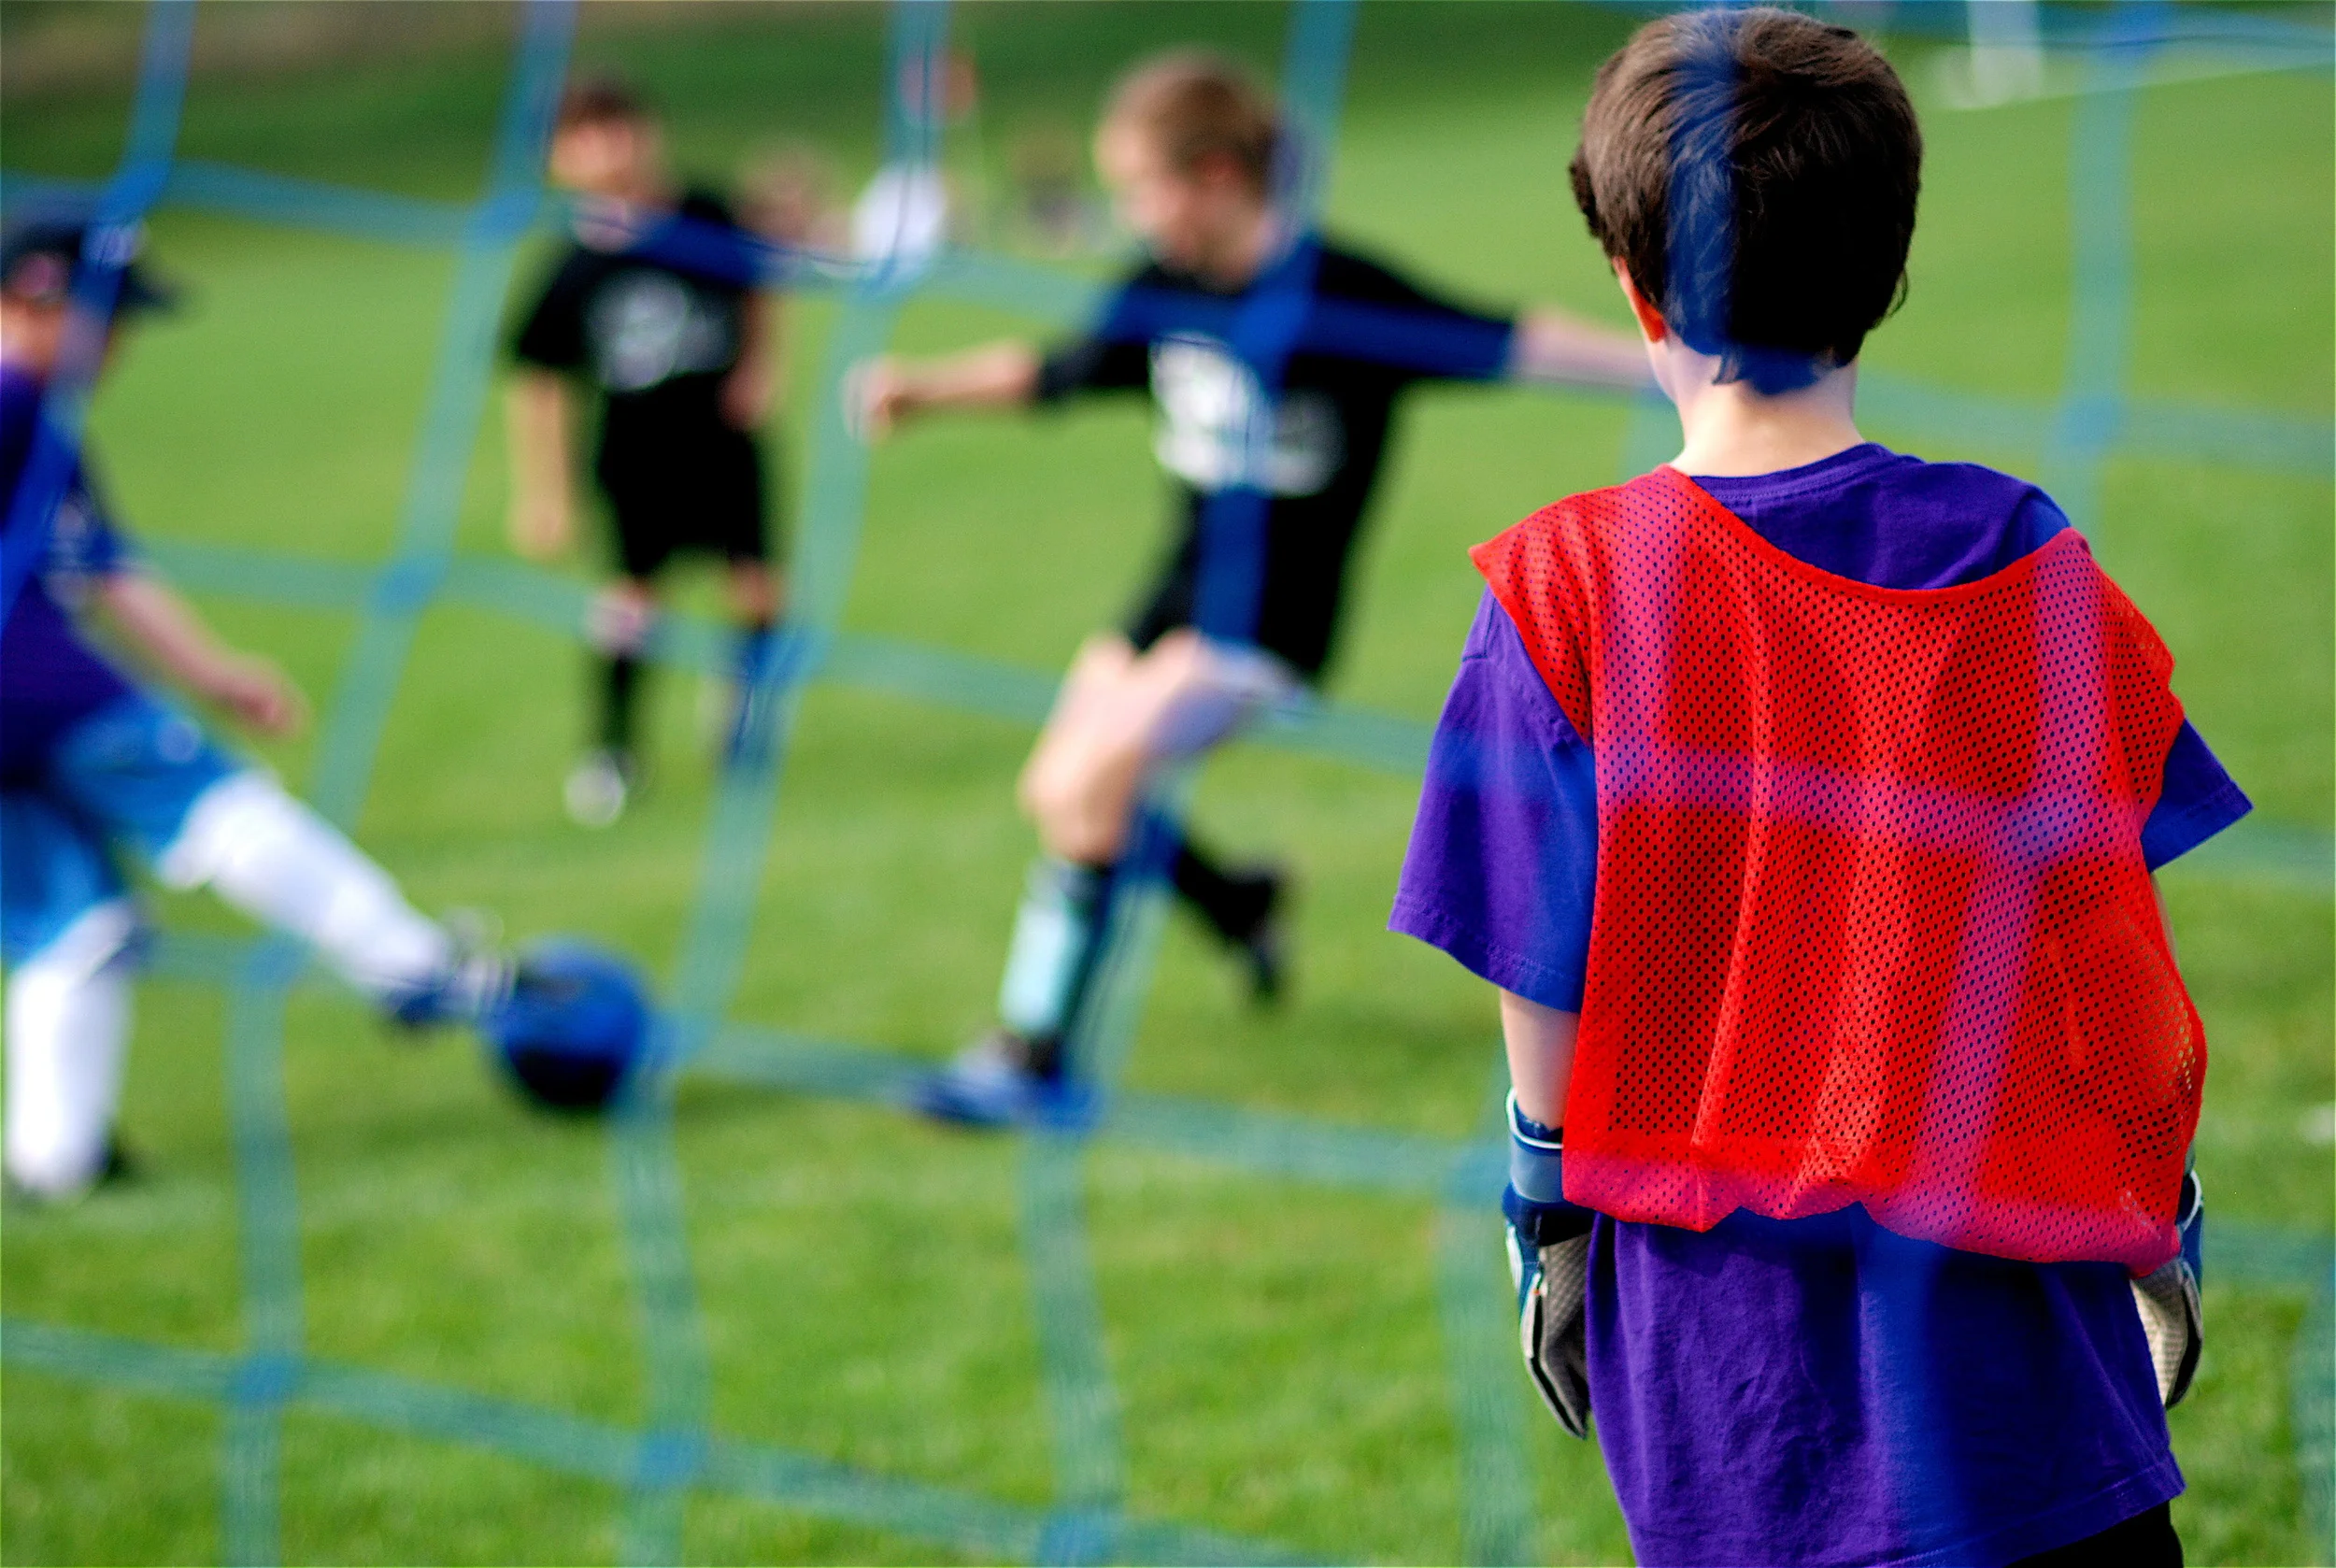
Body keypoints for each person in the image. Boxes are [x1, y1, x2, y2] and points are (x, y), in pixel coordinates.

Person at [1392, 10, 2248, 1565]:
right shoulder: (2023, 554)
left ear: (1635, 286)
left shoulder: (1561, 590)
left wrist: (1546, 1206)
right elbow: (2111, 940)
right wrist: (2161, 1208)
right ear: (1889, 275)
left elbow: (1541, 969)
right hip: (2022, 1353)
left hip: (1730, 1383)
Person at [855, 51, 1650, 1124]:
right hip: (1165, 597)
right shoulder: (1160, 286)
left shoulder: (1339, 292)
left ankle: (1030, 1058)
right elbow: (1055, 371)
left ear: (1219, 176)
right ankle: (1241, 904)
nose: (1130, 213)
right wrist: (923, 390)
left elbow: (1512, 340)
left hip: (1268, 621)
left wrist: (1671, 363)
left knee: (1095, 789)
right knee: (1059, 795)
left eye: (1143, 187)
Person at [0, 222, 511, 1202]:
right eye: (108, 321)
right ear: (34, 301)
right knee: (211, 798)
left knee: (75, 927)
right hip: (23, 673)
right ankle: (411, 965)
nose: (121, 347)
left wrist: (216, 670)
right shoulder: (11, 400)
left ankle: (49, 1159)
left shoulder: (42, 421)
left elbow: (108, 568)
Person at [506, 78, 787, 827]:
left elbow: (761, 285)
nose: (608, 149)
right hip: (636, 456)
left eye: (619, 128)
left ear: (649, 131)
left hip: (725, 443)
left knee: (760, 591)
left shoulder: (704, 215)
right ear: (559, 160)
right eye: (584, 137)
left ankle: (743, 718)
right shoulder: (571, 266)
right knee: (633, 605)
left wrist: (762, 369)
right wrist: (545, 493)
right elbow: (539, 382)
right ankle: (614, 750)